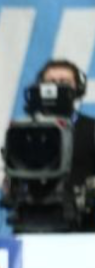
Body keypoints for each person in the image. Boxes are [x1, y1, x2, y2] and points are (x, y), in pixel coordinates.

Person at [37, 59, 95, 231]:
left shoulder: (92, 129)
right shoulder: (25, 131)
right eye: (51, 82)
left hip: (85, 227)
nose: (57, 87)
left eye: (64, 82)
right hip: (36, 223)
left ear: (78, 88)